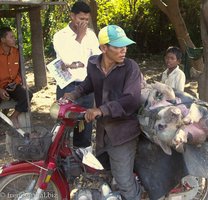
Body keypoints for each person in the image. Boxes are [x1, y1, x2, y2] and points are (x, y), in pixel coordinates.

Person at [64, 25, 142, 200]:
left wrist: (101, 109)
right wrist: (73, 94)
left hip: (124, 132)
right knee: (105, 174)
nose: (124, 50)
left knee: (123, 180)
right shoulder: (93, 65)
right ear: (103, 48)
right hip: (103, 132)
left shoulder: (130, 68)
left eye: (125, 46)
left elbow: (131, 99)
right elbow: (88, 84)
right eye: (118, 46)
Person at [53, 1, 101, 148]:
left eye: (86, 20)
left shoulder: (91, 35)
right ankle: (62, 164)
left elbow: (96, 59)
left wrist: (77, 64)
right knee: (64, 127)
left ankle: (82, 162)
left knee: (85, 126)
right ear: (72, 16)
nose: (84, 23)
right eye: (81, 19)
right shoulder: (60, 36)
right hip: (67, 87)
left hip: (86, 87)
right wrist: (79, 37)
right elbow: (67, 60)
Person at [0, 27, 33, 128]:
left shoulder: (16, 52)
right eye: (11, 37)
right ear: (3, 40)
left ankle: (13, 117)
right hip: (0, 87)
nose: (14, 39)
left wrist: (17, 82)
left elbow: (19, 72)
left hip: (12, 85)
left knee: (27, 95)